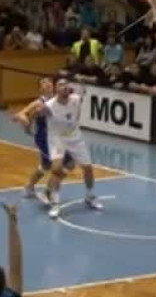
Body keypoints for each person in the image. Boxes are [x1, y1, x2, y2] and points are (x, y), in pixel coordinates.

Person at [15, 78, 101, 218]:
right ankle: (54, 201)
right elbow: (31, 113)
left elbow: (81, 96)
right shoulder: (47, 105)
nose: (64, 86)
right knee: (55, 168)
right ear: (56, 89)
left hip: (74, 137)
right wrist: (26, 123)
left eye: (66, 84)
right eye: (60, 85)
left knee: (86, 168)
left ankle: (90, 196)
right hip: (55, 139)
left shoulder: (75, 99)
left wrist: (83, 82)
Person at [12, 77, 75, 197]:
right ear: (40, 89)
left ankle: (29, 187)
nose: (47, 84)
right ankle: (48, 191)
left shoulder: (58, 99)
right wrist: (25, 121)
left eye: (49, 82)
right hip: (44, 139)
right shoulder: (38, 103)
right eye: (44, 83)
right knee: (68, 163)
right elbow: (21, 114)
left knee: (45, 167)